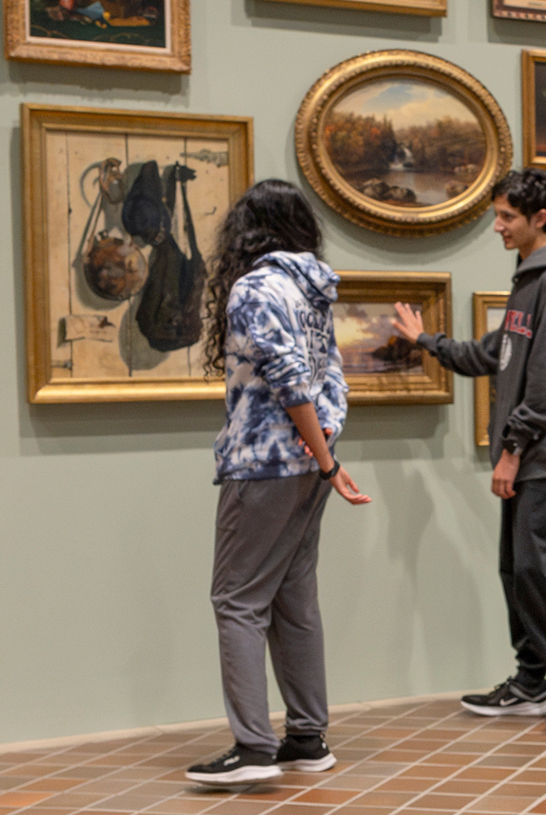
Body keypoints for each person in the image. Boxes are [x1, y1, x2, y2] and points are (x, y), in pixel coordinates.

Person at [389, 169, 546, 732]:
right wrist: (425, 342)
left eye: (507, 217)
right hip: (524, 456)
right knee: (515, 571)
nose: (498, 227)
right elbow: (493, 355)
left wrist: (512, 450)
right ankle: (531, 679)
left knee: (535, 570)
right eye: (497, 216)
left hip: (539, 458)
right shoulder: (528, 280)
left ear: (540, 220)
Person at [185, 180, 374, 787]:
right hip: (307, 464)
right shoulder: (310, 289)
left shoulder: (256, 287)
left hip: (264, 466)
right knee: (293, 600)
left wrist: (324, 460)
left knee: (236, 601)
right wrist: (327, 456)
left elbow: (293, 383)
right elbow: (331, 381)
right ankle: (307, 737)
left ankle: (253, 747)